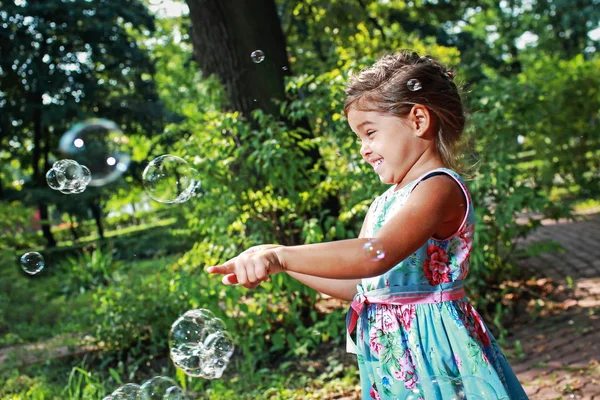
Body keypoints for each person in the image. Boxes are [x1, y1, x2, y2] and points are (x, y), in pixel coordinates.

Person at [207, 50, 528, 400]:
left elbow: (374, 255)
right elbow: (361, 285)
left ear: (418, 119)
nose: (363, 149)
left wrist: (283, 256)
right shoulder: (384, 202)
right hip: (392, 359)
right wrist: (278, 264)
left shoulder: (437, 187)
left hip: (433, 353)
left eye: (369, 132)